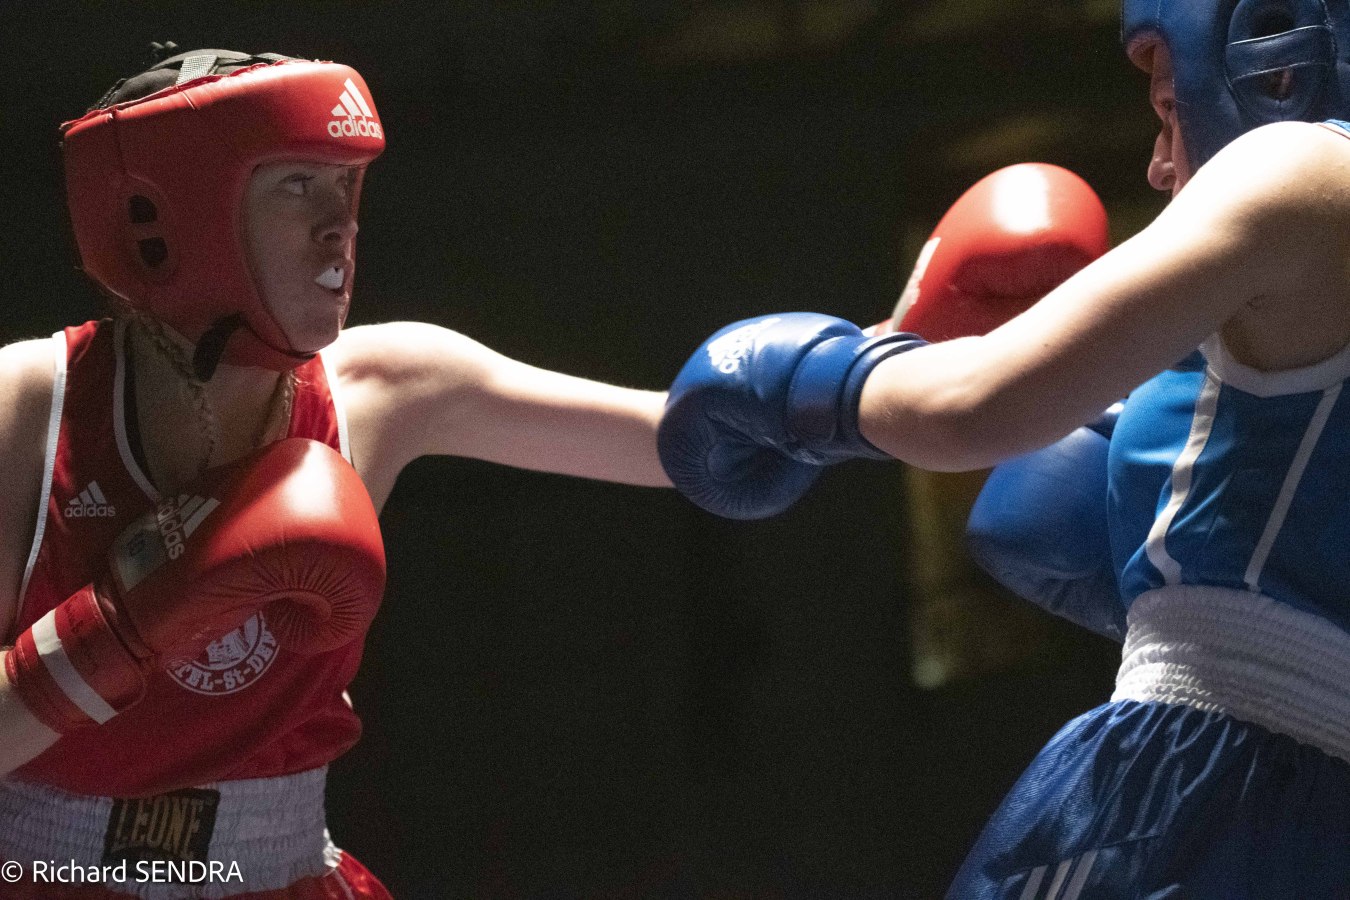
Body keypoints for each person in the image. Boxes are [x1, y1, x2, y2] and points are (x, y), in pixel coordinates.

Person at [657, 0, 1350, 895]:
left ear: (1280, 69)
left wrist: (811, 382)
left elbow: (968, 406)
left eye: (1168, 108)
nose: (1158, 162)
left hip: (1205, 788)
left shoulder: (1301, 167)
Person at [0, 45, 669, 898]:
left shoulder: (385, 387)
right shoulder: (29, 408)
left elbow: (681, 441)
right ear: (165, 213)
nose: (339, 225)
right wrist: (118, 631)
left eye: (347, 184)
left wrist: (814, 393)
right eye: (297, 184)